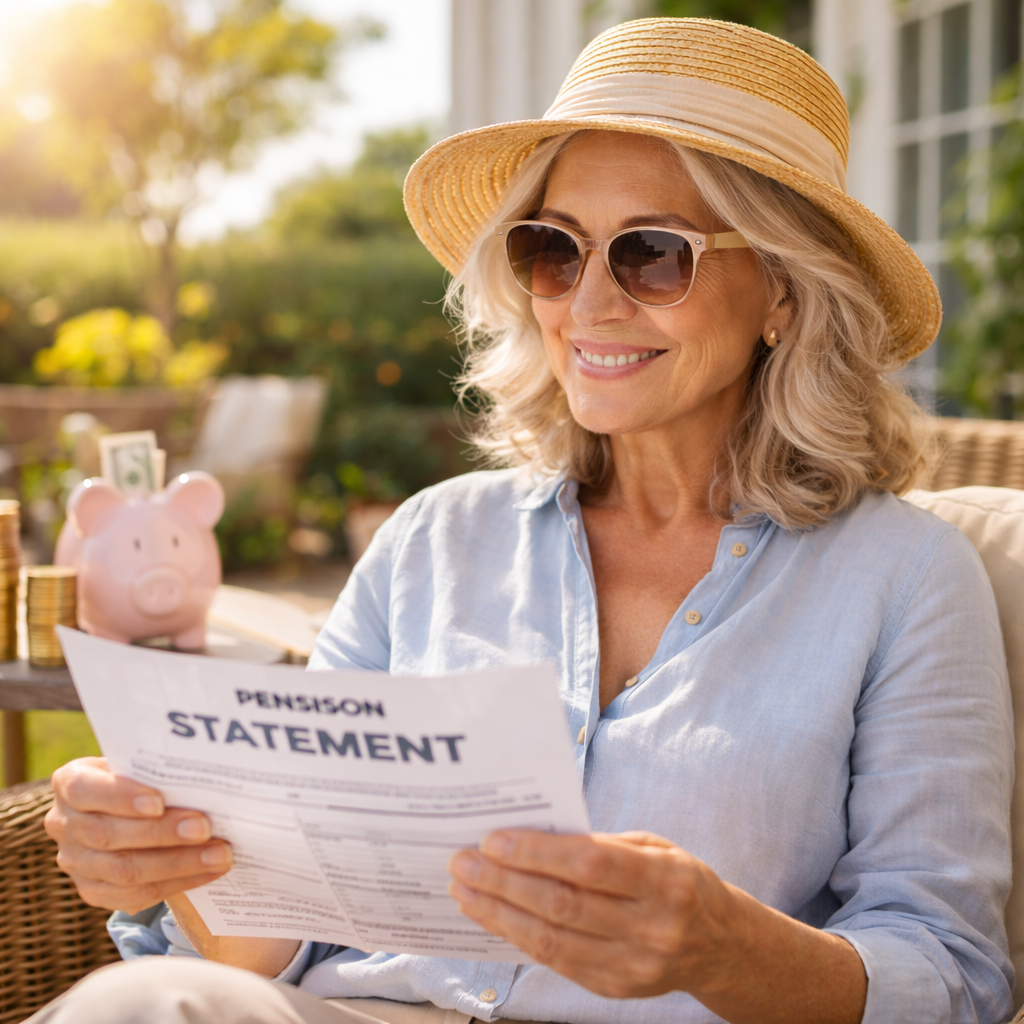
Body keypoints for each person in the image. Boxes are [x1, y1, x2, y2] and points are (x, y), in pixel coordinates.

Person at [36, 17, 1013, 1024]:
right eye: (552, 249)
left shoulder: (906, 577)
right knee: (144, 998)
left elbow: (951, 973)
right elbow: (273, 937)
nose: (586, 302)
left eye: (650, 254)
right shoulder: (432, 540)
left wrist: (727, 948)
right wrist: (170, 858)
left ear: (782, 289)